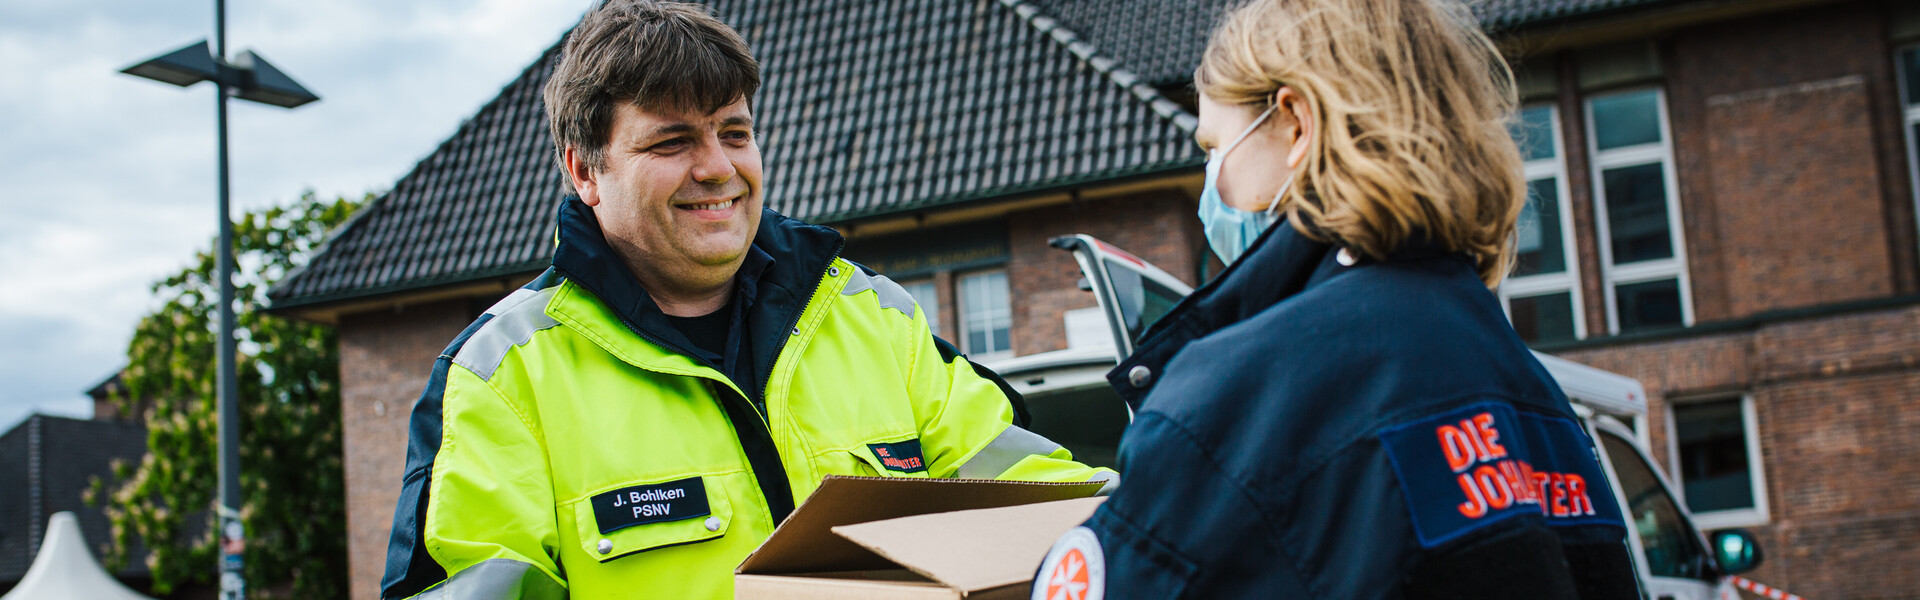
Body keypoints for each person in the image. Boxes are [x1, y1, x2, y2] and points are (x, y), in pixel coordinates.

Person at [378, 2, 1114, 598]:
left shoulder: (875, 318)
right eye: (671, 143)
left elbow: (1040, 503)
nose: (718, 168)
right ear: (585, 171)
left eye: (735, 132)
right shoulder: (502, 377)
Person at [1029, 0, 1641, 598]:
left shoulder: (1246, 396)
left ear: (1296, 123)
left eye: (1214, 148)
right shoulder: (1534, 397)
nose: (1212, 183)